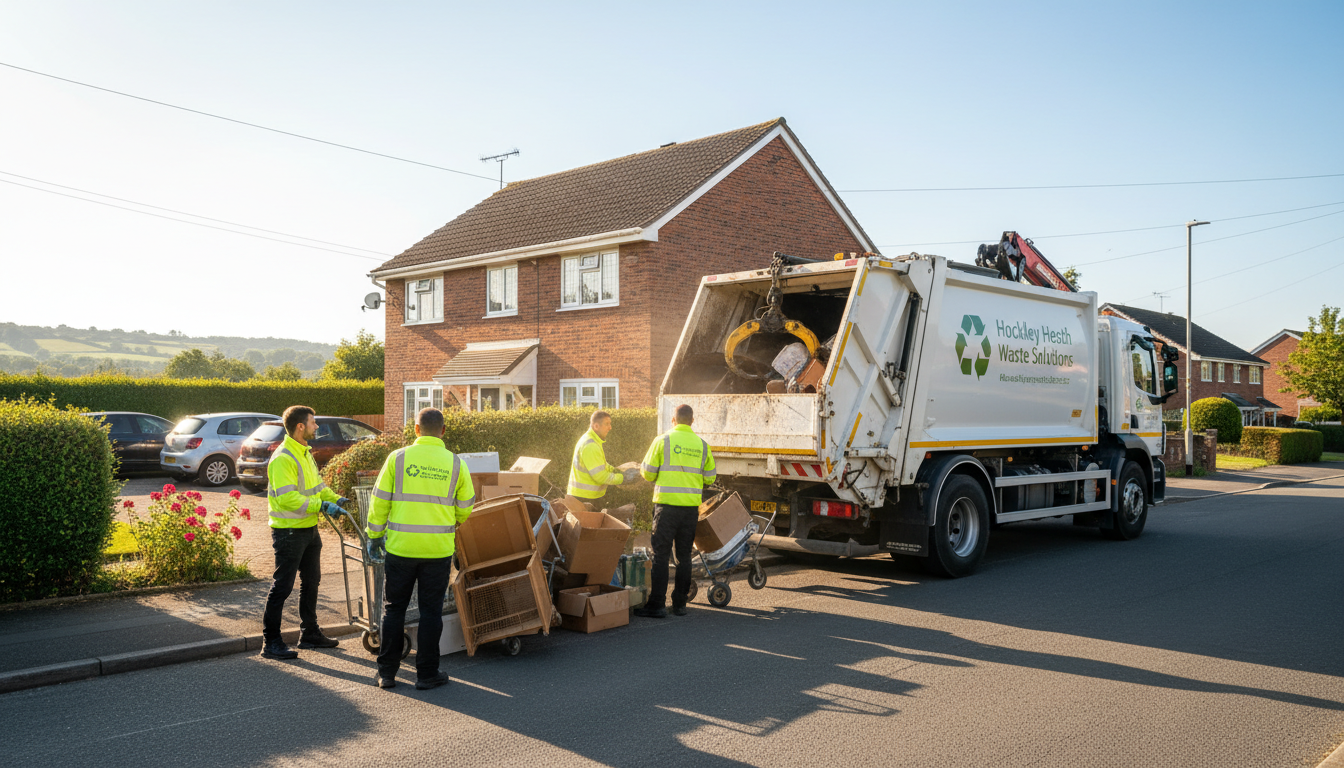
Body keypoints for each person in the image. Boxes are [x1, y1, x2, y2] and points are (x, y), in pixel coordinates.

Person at [366, 407, 475, 690]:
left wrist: (374, 535)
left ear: (415, 430)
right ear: (443, 431)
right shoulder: (456, 464)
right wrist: (450, 521)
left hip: (401, 549)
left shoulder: (397, 459)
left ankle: (387, 673)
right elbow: (466, 507)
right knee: (430, 612)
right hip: (437, 551)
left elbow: (379, 502)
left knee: (394, 610)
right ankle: (427, 674)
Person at [261, 405, 349, 660]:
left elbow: (317, 487)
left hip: (308, 529)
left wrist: (335, 498)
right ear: (300, 426)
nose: (317, 427)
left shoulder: (304, 453)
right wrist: (321, 506)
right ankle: (271, 641)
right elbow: (288, 498)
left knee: (311, 582)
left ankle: (309, 633)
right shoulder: (284, 457)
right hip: (289, 532)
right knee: (282, 586)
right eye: (313, 422)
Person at [634, 403, 716, 618]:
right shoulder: (703, 445)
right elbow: (710, 478)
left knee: (660, 555)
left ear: (673, 419)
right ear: (692, 421)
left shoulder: (663, 440)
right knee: (684, 557)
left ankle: (657, 605)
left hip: (666, 508)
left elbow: (648, 473)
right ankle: (680, 604)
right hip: (690, 509)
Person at [567, 410, 636, 501]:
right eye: (607, 424)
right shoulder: (590, 445)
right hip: (584, 498)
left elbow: (601, 465)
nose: (610, 427)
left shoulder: (592, 440)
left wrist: (616, 470)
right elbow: (600, 476)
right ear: (596, 426)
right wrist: (623, 478)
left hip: (583, 496)